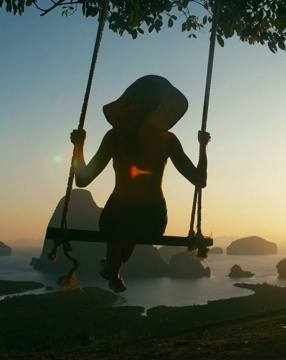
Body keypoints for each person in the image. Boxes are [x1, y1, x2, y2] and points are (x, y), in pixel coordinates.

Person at [70, 75, 210, 293]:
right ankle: (111, 270)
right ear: (156, 107)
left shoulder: (115, 137)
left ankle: (112, 271)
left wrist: (79, 146)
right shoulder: (166, 140)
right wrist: (202, 146)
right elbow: (199, 180)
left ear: (129, 103)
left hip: (119, 215)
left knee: (116, 233)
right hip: (151, 219)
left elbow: (82, 179)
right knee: (124, 235)